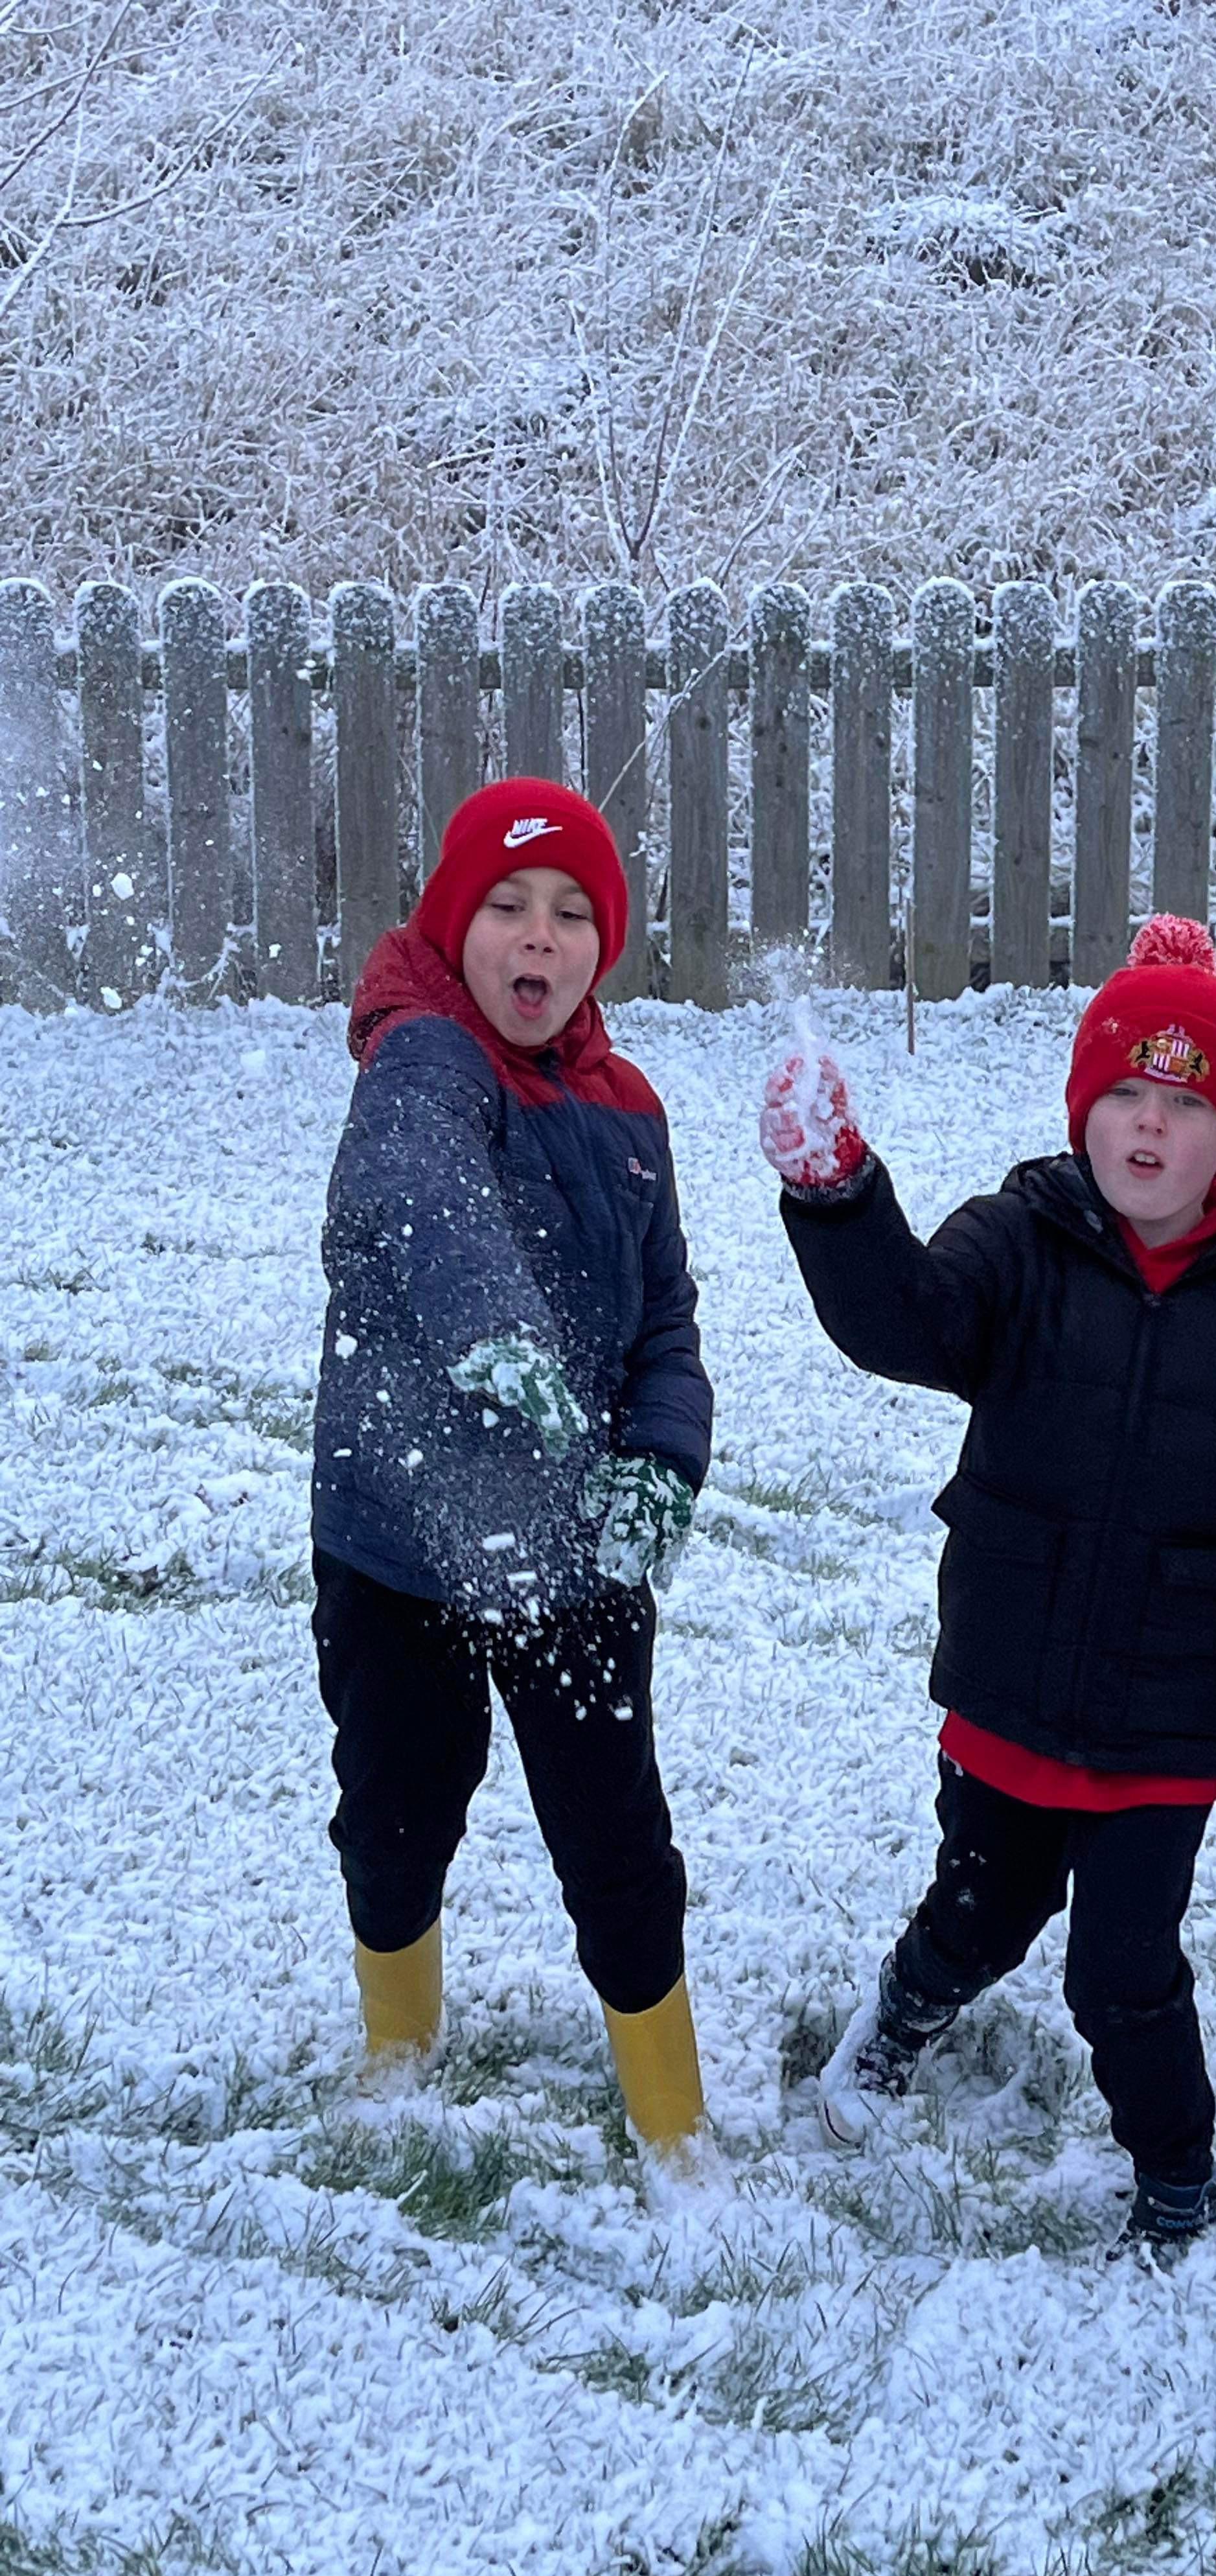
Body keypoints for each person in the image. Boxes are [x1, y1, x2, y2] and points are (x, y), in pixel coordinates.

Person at [759, 917, 1216, 2252]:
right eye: (1124, 1092)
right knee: (978, 1910)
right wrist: (837, 1195)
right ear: (1083, 1110)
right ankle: (903, 2013)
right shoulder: (1018, 1241)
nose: (1148, 1125)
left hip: (1165, 1728)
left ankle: (1178, 2173)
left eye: (1186, 1102)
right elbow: (905, 1322)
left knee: (1122, 1975)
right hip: (1011, 1682)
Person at [312, 777, 714, 2155]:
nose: (539, 937)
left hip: (572, 1549)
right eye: (506, 905)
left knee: (617, 1841)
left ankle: (672, 2120)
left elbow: (667, 1322)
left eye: (572, 914)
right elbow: (422, 1191)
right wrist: (492, 1325)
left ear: (605, 948)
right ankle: (397, 2046)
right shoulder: (421, 1056)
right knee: (395, 1814)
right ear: (451, 922)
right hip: (399, 1538)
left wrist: (662, 1457)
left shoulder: (630, 1112)